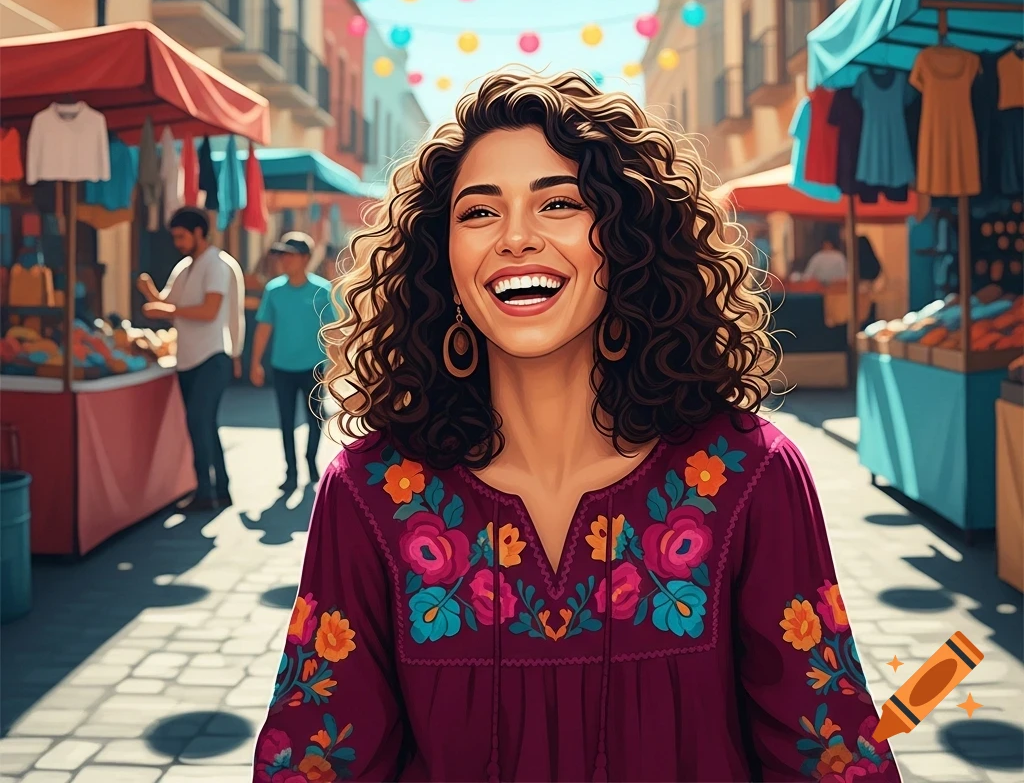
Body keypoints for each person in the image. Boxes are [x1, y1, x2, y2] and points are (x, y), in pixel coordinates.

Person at [251, 71, 900, 783]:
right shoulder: (370, 494)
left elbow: (830, 755)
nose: (516, 238)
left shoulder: (749, 477)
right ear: (443, 257)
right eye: (478, 213)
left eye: (559, 202)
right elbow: (313, 759)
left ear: (625, 236)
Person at [137, 206, 242, 512]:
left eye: (182, 236)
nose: (178, 242)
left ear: (198, 232)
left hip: (212, 356)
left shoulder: (215, 265)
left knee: (199, 423)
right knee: (205, 424)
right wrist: (147, 291)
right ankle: (220, 489)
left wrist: (165, 310)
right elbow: (166, 302)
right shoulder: (185, 266)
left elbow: (209, 311)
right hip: (188, 358)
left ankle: (205, 492)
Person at [250, 232, 333, 491]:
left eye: (290, 255)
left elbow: (331, 330)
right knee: (285, 421)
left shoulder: (322, 290)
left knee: (315, 419)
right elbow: (263, 328)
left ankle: (310, 460)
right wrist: (255, 362)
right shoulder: (274, 291)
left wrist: (334, 366)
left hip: (314, 367)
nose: (284, 260)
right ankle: (291, 471)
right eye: (281, 255)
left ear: (305, 258)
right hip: (282, 366)